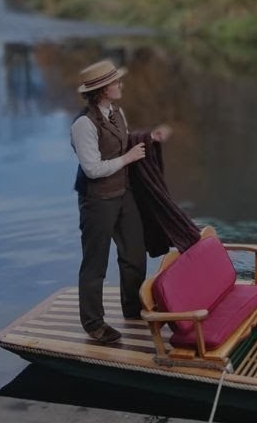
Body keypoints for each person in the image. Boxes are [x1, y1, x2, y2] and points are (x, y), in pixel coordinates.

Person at [70, 59, 171, 344]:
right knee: (95, 264)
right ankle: (93, 323)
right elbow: (92, 169)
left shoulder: (117, 112)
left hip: (123, 194)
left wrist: (149, 139)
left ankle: (132, 308)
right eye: (116, 82)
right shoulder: (83, 124)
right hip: (97, 200)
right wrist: (127, 158)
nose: (120, 85)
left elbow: (125, 142)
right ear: (102, 90)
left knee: (135, 256)